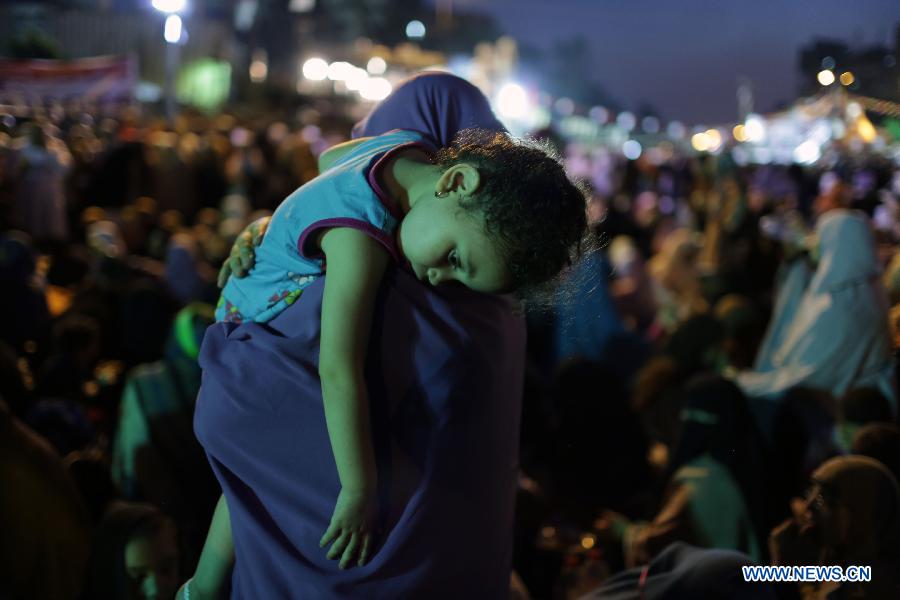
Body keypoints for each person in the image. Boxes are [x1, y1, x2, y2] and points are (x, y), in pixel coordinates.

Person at [185, 72, 578, 598]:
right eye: (454, 260)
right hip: (248, 313)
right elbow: (338, 366)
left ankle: (200, 588)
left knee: (246, 490)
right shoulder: (361, 238)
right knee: (247, 488)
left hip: (254, 316)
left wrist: (283, 224)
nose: (439, 280)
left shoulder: (398, 149)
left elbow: (332, 165)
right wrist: (360, 488)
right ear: (455, 181)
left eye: (463, 279)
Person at [738, 210, 896, 407]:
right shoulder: (867, 291)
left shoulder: (841, 307)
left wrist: (745, 383)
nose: (816, 247)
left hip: (833, 408)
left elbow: (809, 377)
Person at [768, 456, 900, 599]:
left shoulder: (871, 587)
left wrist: (785, 573)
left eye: (822, 498)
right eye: (810, 492)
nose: (808, 505)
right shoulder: (842, 563)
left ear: (861, 515)